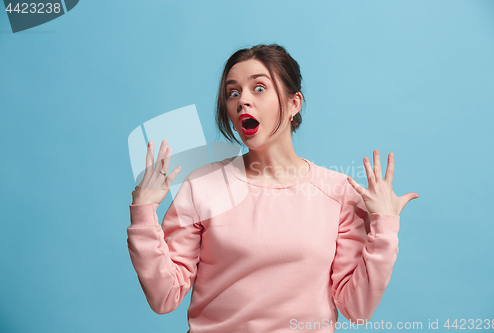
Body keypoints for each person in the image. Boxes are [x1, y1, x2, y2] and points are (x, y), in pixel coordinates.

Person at [127, 44, 419, 333]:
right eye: (233, 92)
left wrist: (384, 228)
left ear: (294, 104)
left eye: (259, 88)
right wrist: (144, 213)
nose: (243, 101)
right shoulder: (202, 186)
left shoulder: (339, 192)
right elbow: (164, 297)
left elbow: (357, 308)